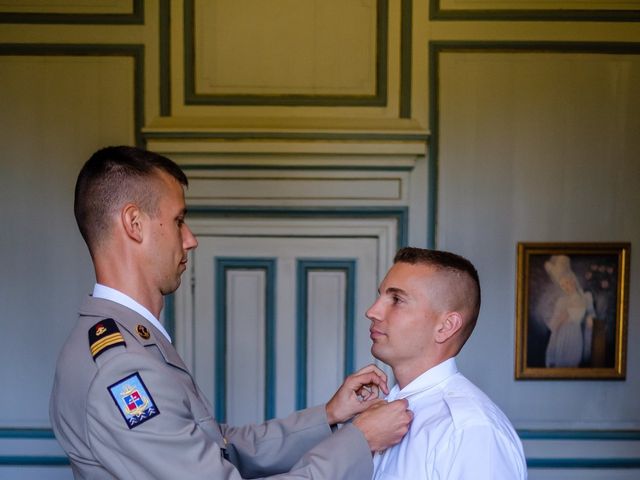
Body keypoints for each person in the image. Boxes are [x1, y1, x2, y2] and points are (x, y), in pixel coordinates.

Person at [50, 146, 412, 479]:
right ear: (134, 224)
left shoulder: (134, 343)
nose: (190, 239)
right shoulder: (121, 367)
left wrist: (329, 415)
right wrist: (359, 442)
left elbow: (217, 446)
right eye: (178, 220)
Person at [367, 247, 527, 479]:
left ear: (446, 327)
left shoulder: (471, 430)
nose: (372, 311)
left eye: (397, 299)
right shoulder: (381, 415)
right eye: (380, 296)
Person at [542, 255, 595, 368]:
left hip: (574, 335)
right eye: (562, 285)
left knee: (572, 364)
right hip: (561, 336)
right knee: (559, 365)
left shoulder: (586, 297)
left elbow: (590, 314)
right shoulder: (562, 301)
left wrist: (589, 317)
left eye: (567, 283)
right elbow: (555, 324)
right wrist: (561, 318)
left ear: (573, 280)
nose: (565, 287)